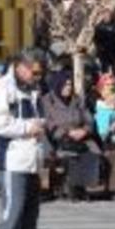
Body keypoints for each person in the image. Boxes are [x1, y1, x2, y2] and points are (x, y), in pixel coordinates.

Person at [0, 48, 49, 229]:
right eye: (34, 72)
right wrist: (26, 128)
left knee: (32, 210)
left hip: (33, 156)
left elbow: (39, 117)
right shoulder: (3, 88)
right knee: (13, 209)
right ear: (21, 66)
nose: (37, 76)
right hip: (12, 159)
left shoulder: (34, 88)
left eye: (40, 73)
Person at [42, 71, 102, 201]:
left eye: (70, 84)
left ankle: (83, 186)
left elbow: (89, 120)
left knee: (91, 151)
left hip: (81, 137)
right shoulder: (47, 101)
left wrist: (85, 131)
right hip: (60, 139)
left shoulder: (78, 100)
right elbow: (48, 123)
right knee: (69, 155)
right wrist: (66, 133)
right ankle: (71, 187)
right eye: (65, 84)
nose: (69, 87)